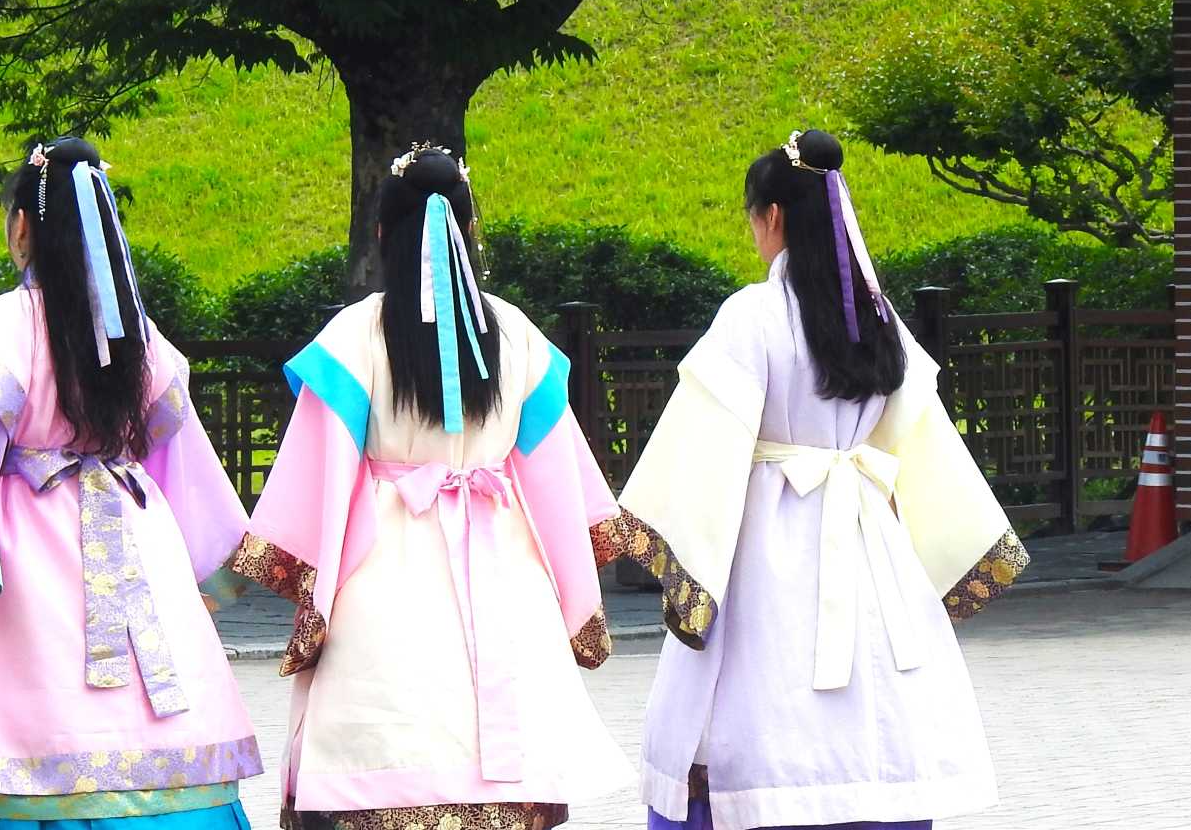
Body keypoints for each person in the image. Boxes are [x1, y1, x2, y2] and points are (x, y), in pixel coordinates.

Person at [617, 130, 1029, 830]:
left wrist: (676, 557)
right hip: (870, 537)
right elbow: (921, 440)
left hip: (769, 540)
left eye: (753, 217)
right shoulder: (879, 320)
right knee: (877, 703)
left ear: (773, 217)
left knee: (754, 699)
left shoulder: (752, 315)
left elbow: (704, 445)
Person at [229, 143, 648, 830]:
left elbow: (319, 473)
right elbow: (557, 484)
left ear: (383, 234)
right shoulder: (515, 334)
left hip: (383, 585)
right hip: (503, 574)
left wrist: (308, 590)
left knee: (382, 757)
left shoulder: (354, 336)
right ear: (467, 229)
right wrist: (577, 604)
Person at [0, 137, 263, 830]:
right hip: (136, 537)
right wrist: (203, 567)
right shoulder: (139, 338)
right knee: (156, 722)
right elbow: (186, 465)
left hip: (30, 560)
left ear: (21, 229)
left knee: (25, 725)